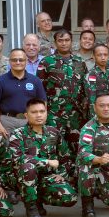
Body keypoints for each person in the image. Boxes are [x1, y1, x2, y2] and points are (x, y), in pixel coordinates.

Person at [8, 98, 77, 217]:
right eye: (34, 112)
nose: (39, 115)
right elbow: (17, 158)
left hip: (46, 177)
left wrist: (62, 174)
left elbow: (65, 156)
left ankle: (38, 199)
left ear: (46, 113)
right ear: (26, 115)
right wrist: (47, 162)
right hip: (23, 178)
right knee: (28, 167)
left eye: (42, 111)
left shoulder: (53, 132)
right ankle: (32, 210)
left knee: (70, 197)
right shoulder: (18, 134)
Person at [37, 29, 87, 158]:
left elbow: (84, 89)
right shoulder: (46, 62)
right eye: (60, 40)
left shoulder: (79, 62)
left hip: (75, 115)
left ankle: (73, 176)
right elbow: (40, 90)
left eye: (67, 40)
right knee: (53, 146)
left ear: (71, 42)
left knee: (76, 146)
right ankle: (55, 175)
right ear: (55, 43)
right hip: (54, 114)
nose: (64, 43)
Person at [0, 48, 47, 136]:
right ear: (9, 61)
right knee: (8, 148)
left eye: (21, 60)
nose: (18, 62)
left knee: (30, 148)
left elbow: (43, 102)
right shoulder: (0, 80)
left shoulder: (35, 80)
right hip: (7, 121)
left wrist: (40, 121)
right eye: (14, 60)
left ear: (26, 61)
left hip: (30, 121)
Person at [85, 44, 109, 109]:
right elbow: (91, 98)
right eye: (99, 55)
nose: (103, 58)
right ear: (93, 56)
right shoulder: (91, 75)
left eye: (105, 55)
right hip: (98, 111)